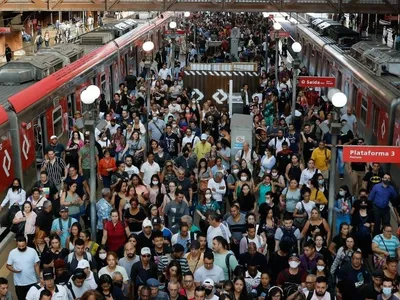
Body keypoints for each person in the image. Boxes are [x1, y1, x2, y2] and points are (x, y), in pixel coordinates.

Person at [6, 235, 40, 300]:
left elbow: (36, 265)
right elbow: (8, 265)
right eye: (19, 246)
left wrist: (39, 277)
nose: (21, 248)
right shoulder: (12, 253)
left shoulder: (32, 251)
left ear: (26, 243)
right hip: (19, 283)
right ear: (16, 244)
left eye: (23, 246)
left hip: (32, 281)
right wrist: (14, 270)